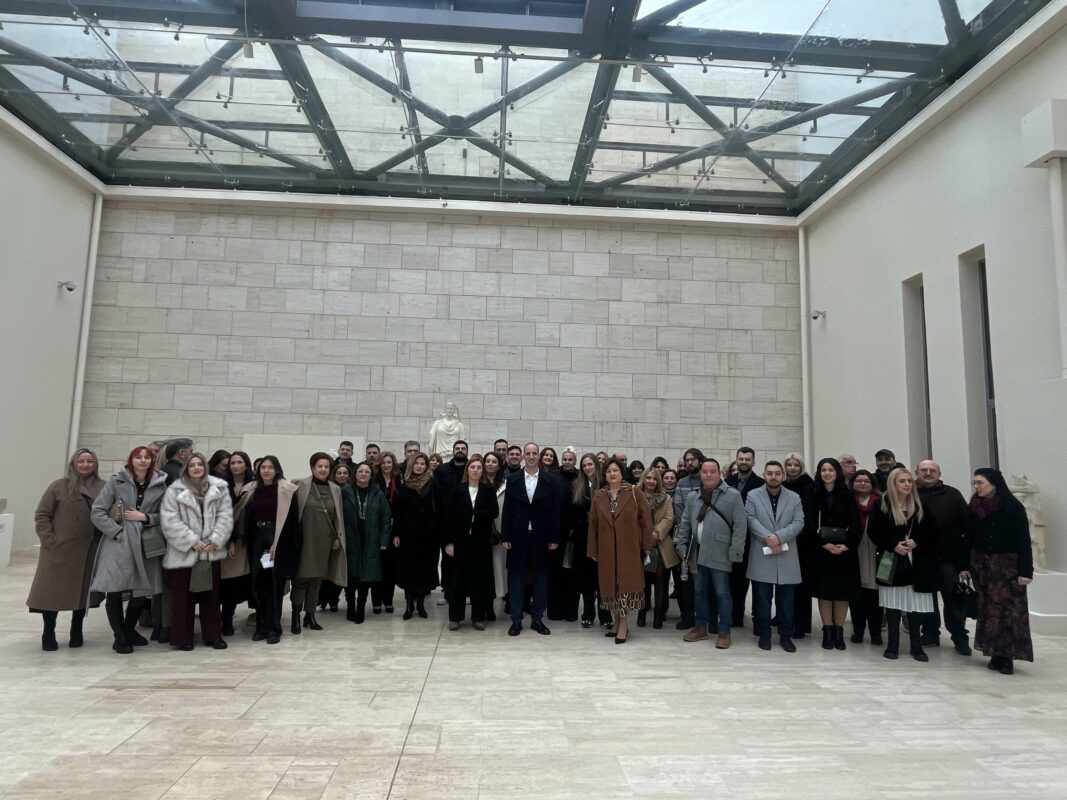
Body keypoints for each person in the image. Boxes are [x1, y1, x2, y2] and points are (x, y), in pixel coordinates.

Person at [89, 446, 168, 654]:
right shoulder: (117, 482)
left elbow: (168, 514)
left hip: (146, 542)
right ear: (131, 460)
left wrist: (146, 518)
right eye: (138, 457)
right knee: (115, 588)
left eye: (147, 457)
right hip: (119, 542)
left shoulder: (161, 485)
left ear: (152, 461)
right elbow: (97, 511)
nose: (143, 460)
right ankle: (120, 636)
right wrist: (115, 532)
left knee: (141, 590)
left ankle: (128, 630)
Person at [27, 448, 105, 651]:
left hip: (88, 550)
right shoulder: (58, 486)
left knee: (82, 593)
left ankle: (76, 630)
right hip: (58, 550)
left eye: (90, 461)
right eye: (81, 461)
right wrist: (49, 540)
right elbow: (42, 515)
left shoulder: (104, 487)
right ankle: (48, 632)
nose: (86, 465)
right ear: (73, 464)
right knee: (51, 593)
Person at [159, 453, 233, 651]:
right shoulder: (175, 490)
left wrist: (215, 539)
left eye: (200, 464)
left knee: (211, 595)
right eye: (192, 465)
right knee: (182, 597)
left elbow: (225, 516)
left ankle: (213, 636)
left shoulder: (219, 489)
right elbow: (169, 520)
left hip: (210, 550)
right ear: (186, 469)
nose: (196, 467)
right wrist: (191, 540)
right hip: (183, 551)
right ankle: (183, 638)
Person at [964, 468, 1034, 675]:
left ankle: (1007, 656)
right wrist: (965, 565)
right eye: (975, 483)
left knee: (1009, 612)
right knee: (988, 611)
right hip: (982, 566)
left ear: (994, 484)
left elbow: (1023, 540)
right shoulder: (974, 506)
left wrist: (1026, 570)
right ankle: (994, 652)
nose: (977, 487)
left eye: (980, 482)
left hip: (1007, 567)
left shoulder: (1013, 507)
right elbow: (968, 537)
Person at [674, 459, 747, 649]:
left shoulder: (732, 495)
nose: (708, 475)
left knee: (722, 593)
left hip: (721, 552)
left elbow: (740, 526)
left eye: (712, 471)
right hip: (697, 553)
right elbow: (685, 523)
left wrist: (736, 552)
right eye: (705, 472)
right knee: (699, 592)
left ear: (719, 473)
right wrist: (682, 546)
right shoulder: (693, 496)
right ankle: (700, 627)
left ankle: (724, 631)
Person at [868, 467, 939, 662]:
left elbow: (933, 529)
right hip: (892, 560)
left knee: (914, 606)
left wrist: (917, 541)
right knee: (892, 605)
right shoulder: (882, 504)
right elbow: (874, 531)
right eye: (902, 481)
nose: (907, 484)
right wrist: (893, 545)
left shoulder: (920, 503)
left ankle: (916, 646)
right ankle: (892, 645)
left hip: (917, 561)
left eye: (909, 481)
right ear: (893, 484)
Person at [587, 459, 653, 644]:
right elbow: (593, 525)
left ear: (622, 473)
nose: (612, 474)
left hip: (629, 548)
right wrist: (593, 549)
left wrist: (646, 545)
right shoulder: (599, 495)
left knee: (624, 586)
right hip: (607, 549)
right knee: (612, 587)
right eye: (608, 471)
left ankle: (624, 624)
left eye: (615, 470)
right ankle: (617, 621)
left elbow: (646, 520)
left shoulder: (633, 492)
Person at [500, 442, 560, 637]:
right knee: (516, 578)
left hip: (541, 537)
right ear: (523, 456)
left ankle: (537, 619)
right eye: (528, 453)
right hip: (518, 536)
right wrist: (505, 535)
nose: (532, 456)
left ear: (539, 456)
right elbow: (507, 509)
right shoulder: (513, 479)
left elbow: (555, 511)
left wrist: (554, 537)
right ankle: (516, 620)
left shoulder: (550, 480)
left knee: (540, 579)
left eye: (535, 453)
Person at [745, 462, 805, 652]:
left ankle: (786, 636)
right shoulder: (753, 495)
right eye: (770, 473)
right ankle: (764, 636)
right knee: (762, 600)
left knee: (786, 601)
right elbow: (750, 519)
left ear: (783, 476)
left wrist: (779, 537)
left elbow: (798, 522)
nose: (773, 477)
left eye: (777, 473)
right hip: (762, 553)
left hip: (786, 554)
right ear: (764, 475)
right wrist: (769, 538)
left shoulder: (794, 497)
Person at [915, 460, 973, 655]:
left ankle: (959, 636)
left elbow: (967, 526)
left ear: (939, 474)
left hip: (948, 558)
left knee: (953, 599)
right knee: (926, 600)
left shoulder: (953, 494)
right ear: (917, 472)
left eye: (932, 470)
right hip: (922, 558)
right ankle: (930, 633)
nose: (928, 473)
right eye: (924, 470)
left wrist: (964, 561)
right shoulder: (910, 493)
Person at [803, 457, 860, 652]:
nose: (827, 473)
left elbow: (855, 523)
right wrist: (823, 544)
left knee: (842, 592)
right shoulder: (812, 492)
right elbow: (808, 522)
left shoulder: (847, 493)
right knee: (825, 591)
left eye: (831, 470)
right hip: (821, 550)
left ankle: (839, 631)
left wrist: (847, 545)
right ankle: (827, 631)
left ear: (837, 472)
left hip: (844, 551)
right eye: (823, 470)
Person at [241, 456, 301, 644]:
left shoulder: (287, 490)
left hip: (277, 539)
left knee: (274, 585)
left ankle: (274, 628)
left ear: (277, 470)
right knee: (257, 584)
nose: (266, 470)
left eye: (270, 467)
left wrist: (278, 543)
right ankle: (260, 627)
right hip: (256, 539)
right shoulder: (251, 489)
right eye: (263, 467)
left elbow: (292, 522)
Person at [291, 453, 347, 634]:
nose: (323, 469)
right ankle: (295, 615)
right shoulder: (299, 486)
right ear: (312, 468)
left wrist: (338, 538)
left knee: (317, 579)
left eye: (326, 466)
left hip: (325, 540)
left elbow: (338, 516)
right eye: (319, 466)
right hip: (304, 539)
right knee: (301, 578)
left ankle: (310, 614)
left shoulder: (335, 489)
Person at [442, 455, 499, 630]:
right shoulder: (458, 490)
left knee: (479, 579)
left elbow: (494, 511)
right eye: (472, 467)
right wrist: (449, 542)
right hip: (460, 541)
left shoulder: (488, 490)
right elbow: (448, 517)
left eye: (479, 468)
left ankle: (478, 616)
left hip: (480, 542)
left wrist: (476, 515)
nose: (475, 470)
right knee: (458, 578)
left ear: (482, 472)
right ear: (467, 470)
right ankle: (455, 617)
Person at [343, 462, 391, 624]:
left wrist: (384, 540)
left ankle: (360, 608)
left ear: (371, 475)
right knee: (351, 575)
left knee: (366, 577)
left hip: (371, 539)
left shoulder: (378, 494)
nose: (363, 474)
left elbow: (386, 518)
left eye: (367, 472)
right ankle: (350, 605)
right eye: (360, 471)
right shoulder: (345, 492)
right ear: (355, 474)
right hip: (350, 538)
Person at [393, 452, 440, 620]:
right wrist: (396, 533)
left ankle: (420, 604)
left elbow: (439, 508)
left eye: (422, 464)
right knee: (409, 569)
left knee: (424, 569)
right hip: (408, 533)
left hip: (428, 533)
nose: (419, 466)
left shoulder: (433, 484)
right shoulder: (404, 485)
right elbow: (398, 512)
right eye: (417, 463)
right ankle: (409, 604)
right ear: (411, 465)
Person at [567, 453, 610, 629]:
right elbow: (572, 511)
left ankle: (605, 615)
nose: (587, 468)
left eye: (590, 464)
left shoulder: (605, 485)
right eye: (584, 465)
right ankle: (588, 613)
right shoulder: (577, 485)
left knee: (602, 579)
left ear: (596, 466)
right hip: (582, 539)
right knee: (586, 579)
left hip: (603, 538)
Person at [725, 446, 765, 629]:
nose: (743, 462)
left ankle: (759, 619)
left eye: (747, 459)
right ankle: (736, 616)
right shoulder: (727, 482)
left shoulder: (761, 484)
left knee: (758, 583)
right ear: (736, 460)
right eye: (741, 459)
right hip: (732, 539)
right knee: (736, 580)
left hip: (754, 539)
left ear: (753, 462)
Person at [638, 466, 676, 630]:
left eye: (654, 478)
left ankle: (658, 615)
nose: (651, 481)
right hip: (639, 544)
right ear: (643, 479)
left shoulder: (666, 498)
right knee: (642, 581)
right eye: (648, 478)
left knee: (660, 580)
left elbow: (669, 519)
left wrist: (656, 533)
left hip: (659, 545)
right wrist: (644, 535)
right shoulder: (635, 496)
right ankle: (641, 613)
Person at [220, 450, 254, 636]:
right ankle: (224, 618)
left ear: (246, 465)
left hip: (246, 541)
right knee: (225, 581)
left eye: (239, 462)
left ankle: (229, 616)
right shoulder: (222, 485)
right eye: (232, 463)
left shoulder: (254, 486)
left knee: (238, 581)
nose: (235, 466)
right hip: (224, 539)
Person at [848, 470, 883, 645]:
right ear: (852, 483)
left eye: (866, 481)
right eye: (858, 481)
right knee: (856, 595)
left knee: (875, 596)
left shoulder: (881, 502)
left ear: (872, 484)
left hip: (875, 550)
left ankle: (876, 633)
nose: (862, 484)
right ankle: (858, 630)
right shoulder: (847, 501)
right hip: (854, 549)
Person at [547, 447, 580, 622]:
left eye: (570, 459)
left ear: (575, 461)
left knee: (572, 573)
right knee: (555, 572)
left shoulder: (580, 476)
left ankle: (571, 611)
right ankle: (554, 609)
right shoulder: (552, 476)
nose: (567, 462)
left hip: (575, 532)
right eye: (565, 459)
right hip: (555, 531)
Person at [316, 461, 352, 614]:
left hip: (346, 535)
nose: (342, 476)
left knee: (339, 569)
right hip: (329, 533)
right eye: (339, 473)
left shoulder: (351, 491)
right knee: (327, 569)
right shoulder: (329, 490)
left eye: (345, 473)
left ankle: (334, 600)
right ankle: (323, 599)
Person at [372, 451, 400, 614]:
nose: (386, 465)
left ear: (393, 464)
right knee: (377, 567)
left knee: (390, 568)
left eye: (389, 462)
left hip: (393, 528)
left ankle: (388, 600)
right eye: (383, 462)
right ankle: (376, 600)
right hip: (376, 528)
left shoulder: (399, 480)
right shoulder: (374, 480)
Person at [484, 451, 508, 621]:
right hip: (480, 533)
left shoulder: (507, 484)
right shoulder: (477, 482)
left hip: (499, 532)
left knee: (497, 569)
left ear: (499, 466)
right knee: (483, 570)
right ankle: (484, 604)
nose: (491, 464)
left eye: (494, 462)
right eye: (488, 461)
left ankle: (492, 602)